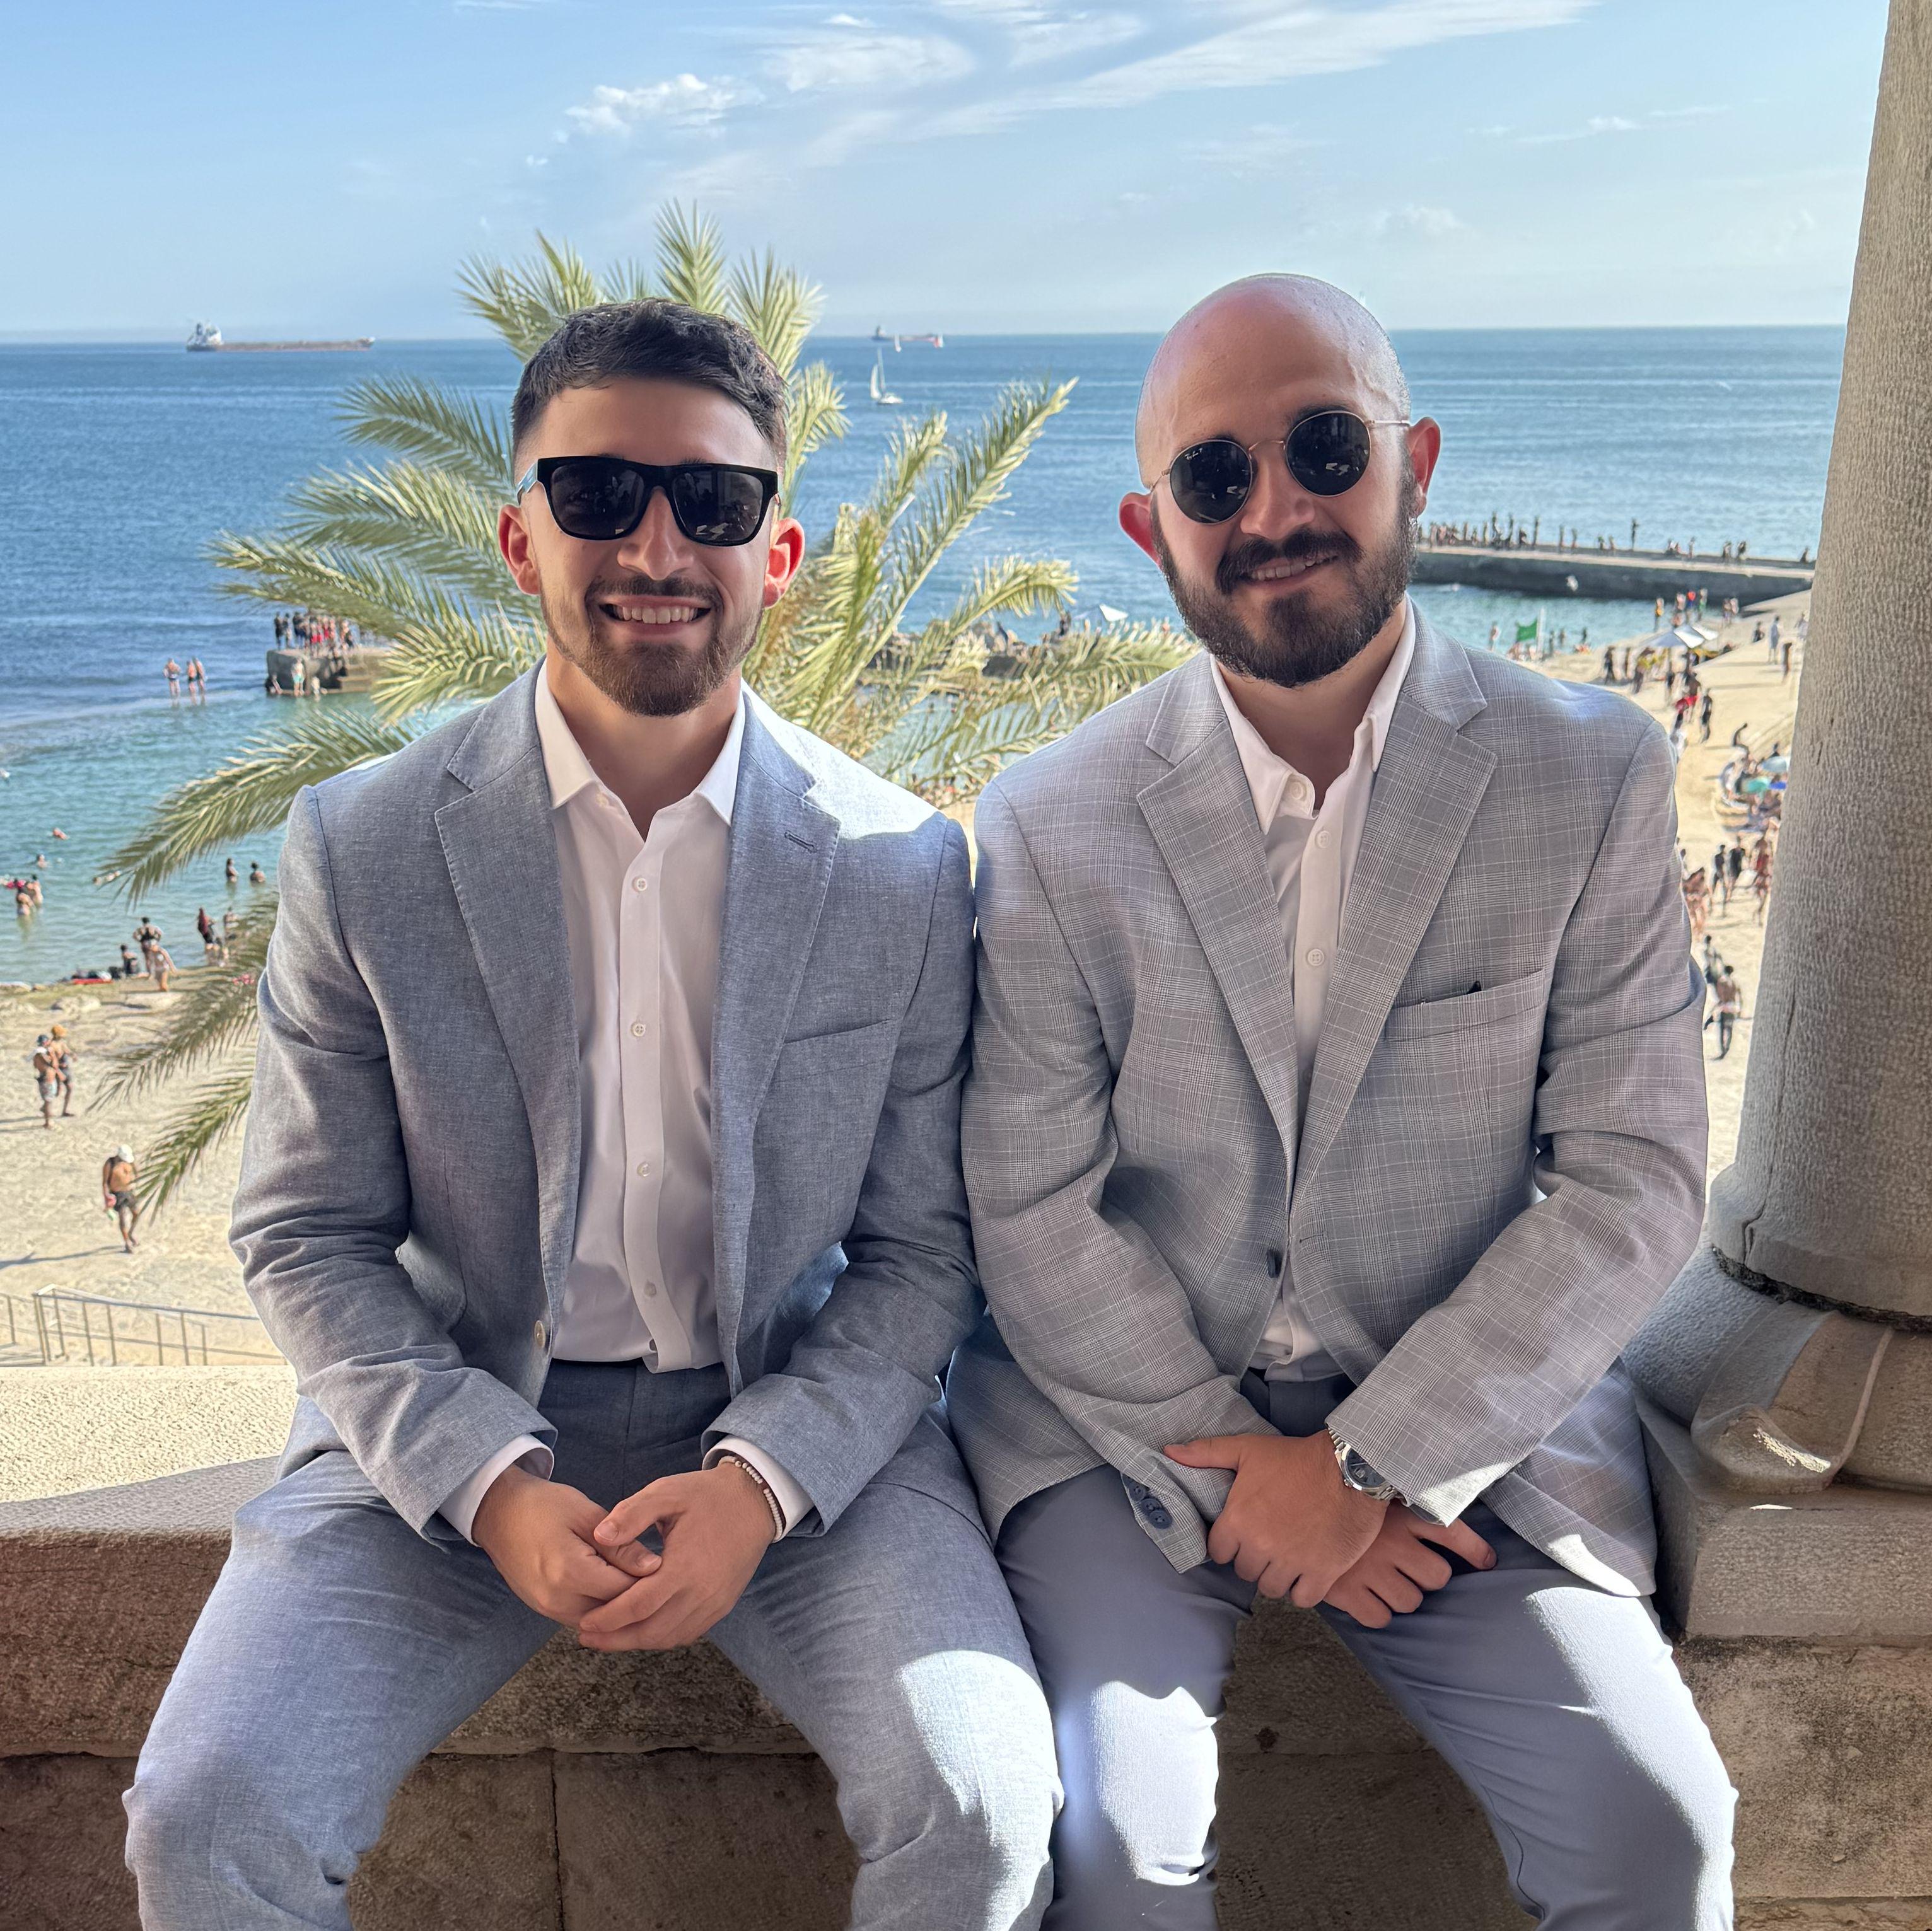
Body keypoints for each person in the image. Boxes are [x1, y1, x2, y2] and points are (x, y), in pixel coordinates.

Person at [123, 298, 1058, 1931]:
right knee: (207, 1817)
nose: (656, 543)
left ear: (778, 554)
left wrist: (760, 1480)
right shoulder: (365, 845)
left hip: (794, 1414)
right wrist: (487, 1478)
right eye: (598, 491)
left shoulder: (900, 865)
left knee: (983, 1808)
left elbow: (925, 1252)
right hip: (453, 1409)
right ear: (517, 535)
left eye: (714, 500)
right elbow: (304, 1229)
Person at [951, 274, 1733, 1930]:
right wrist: (1257, 1480)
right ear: (1148, 526)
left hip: (1470, 1431)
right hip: (1126, 1430)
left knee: (1655, 1832)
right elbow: (1025, 1200)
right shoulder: (1047, 819)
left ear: (1414, 462)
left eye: (1323, 446)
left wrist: (1375, 1460)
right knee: (1118, 1844)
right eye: (1213, 475)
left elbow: (1635, 1177)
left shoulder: (1587, 774)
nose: (1274, 510)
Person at [102, 1145, 141, 1251]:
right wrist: (107, 1197)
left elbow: (136, 1173)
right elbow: (105, 1182)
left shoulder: (130, 1162)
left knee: (137, 1213)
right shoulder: (110, 1164)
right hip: (118, 1194)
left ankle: (131, 1233)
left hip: (130, 1192)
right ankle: (127, 1242)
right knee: (123, 1217)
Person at [1709, 966, 1743, 1058]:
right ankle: (1727, 1048)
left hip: (1724, 1009)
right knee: (1729, 1029)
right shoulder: (1734, 983)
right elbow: (1739, 997)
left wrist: (1716, 1008)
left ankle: (1723, 1050)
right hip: (1732, 1009)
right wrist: (1739, 1010)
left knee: (1722, 1030)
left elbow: (1721, 997)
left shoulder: (1722, 982)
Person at [32, 1033, 60, 1130]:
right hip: (48, 1080)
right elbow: (54, 1065)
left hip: (43, 1079)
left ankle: (47, 1116)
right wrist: (53, 1055)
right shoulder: (43, 1054)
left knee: (47, 1100)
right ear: (45, 1043)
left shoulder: (37, 1055)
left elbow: (35, 1066)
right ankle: (48, 1123)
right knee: (49, 1101)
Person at [47, 1023, 75, 1116]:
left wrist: (73, 1055)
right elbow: (49, 1060)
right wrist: (59, 1065)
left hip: (65, 1069)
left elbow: (67, 1051)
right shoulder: (51, 1045)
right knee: (57, 1092)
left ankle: (65, 1111)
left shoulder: (61, 1042)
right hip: (57, 1070)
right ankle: (45, 1106)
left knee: (69, 1088)